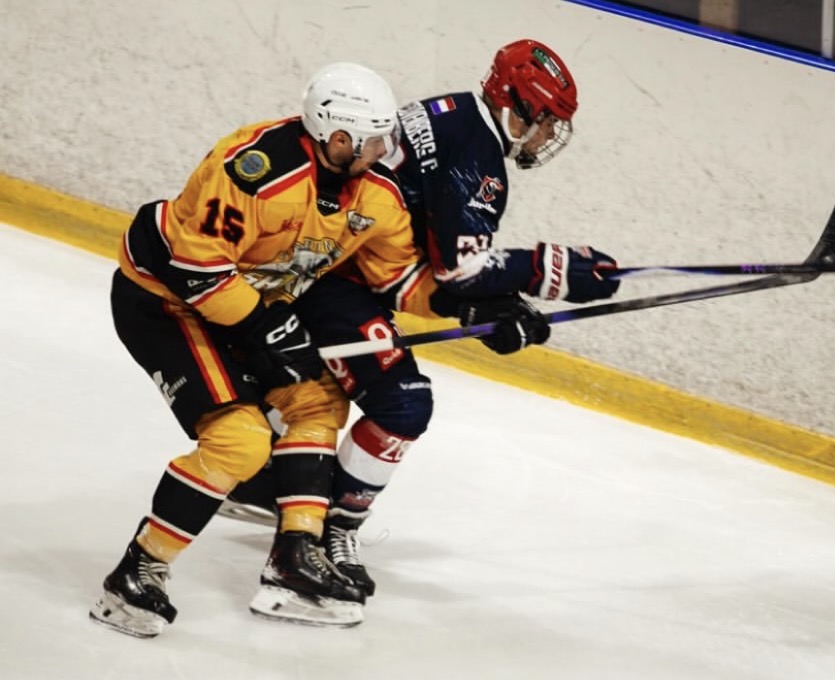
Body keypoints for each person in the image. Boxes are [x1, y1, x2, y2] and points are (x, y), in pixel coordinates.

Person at [89, 61, 542, 638]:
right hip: (164, 301)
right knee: (241, 441)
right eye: (374, 141)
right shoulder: (254, 168)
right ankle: (135, 573)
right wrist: (263, 326)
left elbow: (400, 279)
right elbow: (195, 267)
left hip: (245, 304)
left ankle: (294, 559)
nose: (385, 151)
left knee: (319, 402)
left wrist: (477, 309)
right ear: (338, 137)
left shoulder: (375, 193)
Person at [222, 39, 621, 598]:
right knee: (404, 401)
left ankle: (263, 480)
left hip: (325, 262)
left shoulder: (451, 113)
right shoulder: (478, 156)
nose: (549, 134)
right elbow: (461, 270)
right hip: (330, 276)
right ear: (518, 106)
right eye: (548, 120)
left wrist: (494, 305)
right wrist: (549, 270)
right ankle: (331, 528)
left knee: (347, 390)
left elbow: (430, 260)